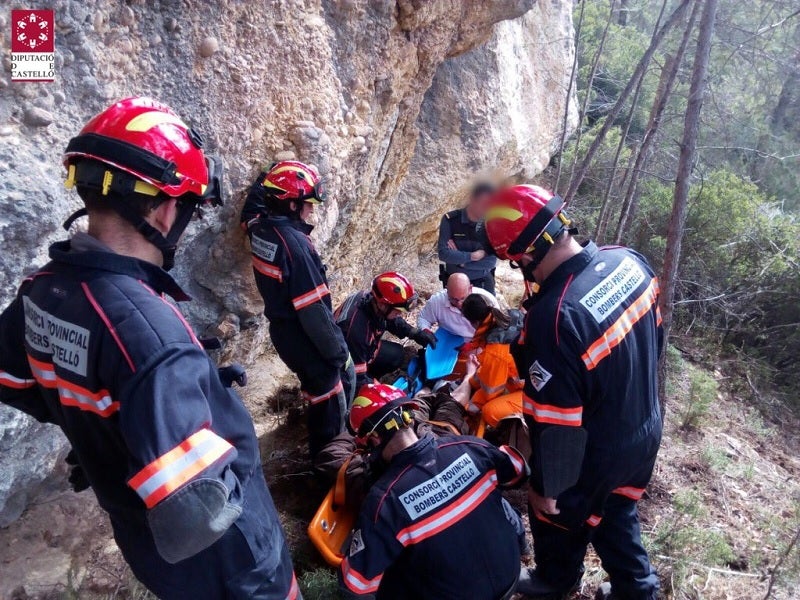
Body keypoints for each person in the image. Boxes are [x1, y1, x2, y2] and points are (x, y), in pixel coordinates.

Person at [0, 97, 299, 599]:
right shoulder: (153, 340)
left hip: (147, 549)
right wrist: (187, 407)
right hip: (234, 565)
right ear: (164, 209)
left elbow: (18, 380)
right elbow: (195, 518)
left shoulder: (43, 289)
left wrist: (165, 405)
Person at [484, 184, 664, 600]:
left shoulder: (554, 317)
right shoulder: (628, 261)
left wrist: (547, 487)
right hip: (643, 425)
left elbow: (556, 425)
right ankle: (637, 590)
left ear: (524, 256)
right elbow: (653, 340)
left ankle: (555, 580)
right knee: (615, 509)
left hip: (596, 448)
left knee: (558, 514)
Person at [339, 383, 530, 600]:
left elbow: (354, 586)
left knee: (387, 575)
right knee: (493, 497)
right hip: (509, 574)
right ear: (410, 417)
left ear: (373, 441)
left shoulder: (383, 501)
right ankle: (523, 552)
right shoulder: (470, 446)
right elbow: (519, 469)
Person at [241, 160, 354, 458]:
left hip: (283, 332)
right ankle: (327, 458)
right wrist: (339, 354)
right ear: (291, 205)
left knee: (315, 387)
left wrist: (267, 180)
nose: (311, 210)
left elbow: (250, 212)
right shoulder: (297, 248)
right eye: (308, 204)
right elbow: (314, 313)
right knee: (330, 398)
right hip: (304, 335)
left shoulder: (261, 230)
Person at [334, 272, 437, 389]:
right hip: (344, 369)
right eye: (398, 311)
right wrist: (383, 391)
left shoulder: (370, 299)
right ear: (383, 305)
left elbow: (391, 319)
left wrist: (415, 333)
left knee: (397, 354)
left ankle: (373, 374)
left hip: (366, 350)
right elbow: (355, 378)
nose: (400, 314)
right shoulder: (357, 332)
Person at [459, 293, 525, 427]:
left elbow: (490, 392)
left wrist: (468, 407)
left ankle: (518, 427)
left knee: (489, 412)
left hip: (540, 393)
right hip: (543, 376)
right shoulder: (510, 317)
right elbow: (489, 374)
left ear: (475, 323)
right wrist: (471, 380)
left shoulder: (496, 349)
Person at [437, 182, 498, 294]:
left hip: (482, 282)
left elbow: (490, 262)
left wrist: (461, 262)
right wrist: (473, 256)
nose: (487, 208)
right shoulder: (451, 220)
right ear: (472, 199)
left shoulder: (491, 224)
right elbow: (443, 254)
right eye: (483, 203)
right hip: (455, 284)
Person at [418, 272, 498, 342]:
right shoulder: (437, 301)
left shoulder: (487, 300)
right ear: (447, 290)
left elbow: (498, 329)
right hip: (448, 342)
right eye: (454, 299)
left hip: (479, 342)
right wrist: (426, 331)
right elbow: (424, 319)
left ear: (470, 289)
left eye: (463, 298)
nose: (459, 304)